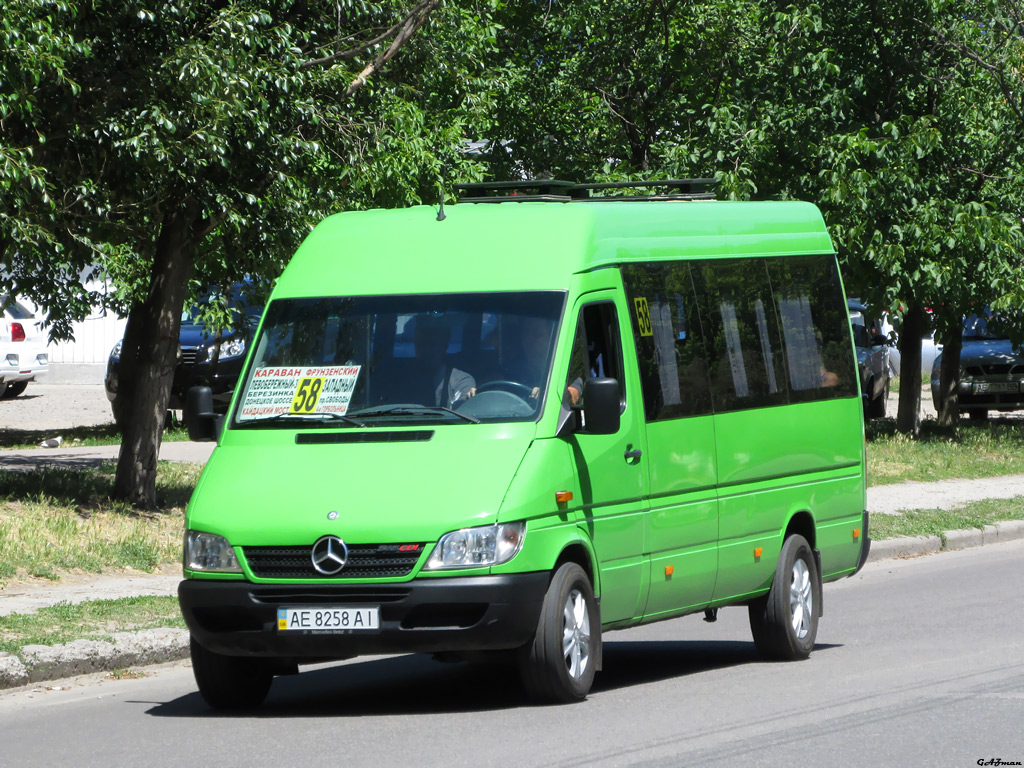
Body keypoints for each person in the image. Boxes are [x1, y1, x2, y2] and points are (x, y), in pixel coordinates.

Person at [412, 316, 476, 408]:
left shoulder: (460, 381)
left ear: (444, 345)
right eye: (421, 344)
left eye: (432, 344)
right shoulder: (399, 379)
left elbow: (465, 412)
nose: (426, 350)